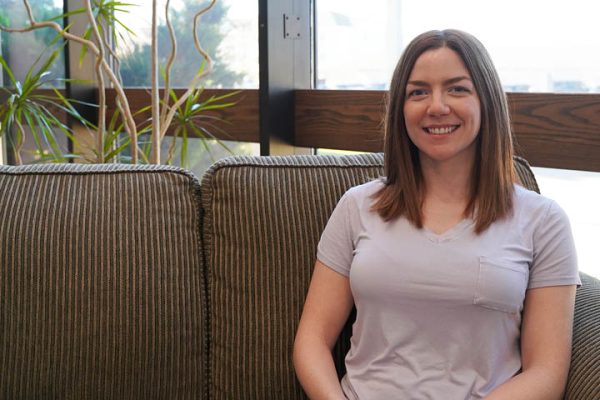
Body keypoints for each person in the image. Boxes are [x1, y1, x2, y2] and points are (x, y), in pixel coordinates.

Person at [293, 29, 580, 400]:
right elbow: (312, 340)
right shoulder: (357, 206)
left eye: (457, 89)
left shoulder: (544, 221)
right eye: (418, 92)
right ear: (401, 108)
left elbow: (547, 373)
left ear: (486, 102)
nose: (437, 106)